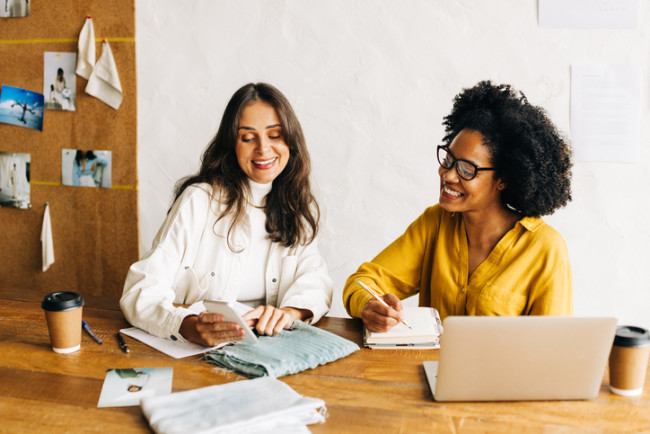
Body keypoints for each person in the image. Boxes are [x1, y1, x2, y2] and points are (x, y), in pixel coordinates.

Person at [343, 80, 573, 332]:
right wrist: (369, 305)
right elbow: (363, 281)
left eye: (466, 169)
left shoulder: (545, 249)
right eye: (449, 159)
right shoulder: (435, 223)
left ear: (504, 179)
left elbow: (553, 347)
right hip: (430, 370)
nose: (448, 175)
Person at [121, 83, 333, 346]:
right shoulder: (199, 200)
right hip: (197, 354)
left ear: (290, 140)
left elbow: (317, 280)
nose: (263, 148)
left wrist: (289, 314)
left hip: (266, 352)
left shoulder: (295, 205)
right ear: (232, 144)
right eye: (248, 138)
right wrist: (186, 326)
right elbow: (139, 292)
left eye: (275, 135)